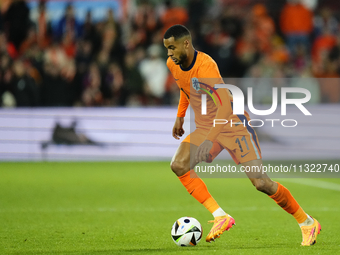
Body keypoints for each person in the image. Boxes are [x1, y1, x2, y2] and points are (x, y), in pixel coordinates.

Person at [163, 24, 321, 245]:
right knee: (179, 165)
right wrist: (180, 117)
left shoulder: (206, 66)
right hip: (207, 126)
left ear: (186, 44)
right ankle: (220, 216)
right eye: (167, 49)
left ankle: (307, 223)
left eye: (172, 48)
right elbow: (184, 88)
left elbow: (226, 106)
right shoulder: (173, 64)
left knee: (261, 183)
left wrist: (209, 140)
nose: (169, 54)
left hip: (233, 124)